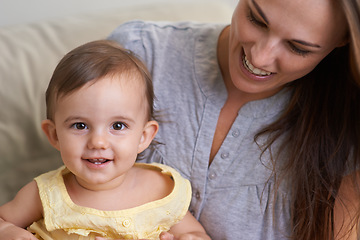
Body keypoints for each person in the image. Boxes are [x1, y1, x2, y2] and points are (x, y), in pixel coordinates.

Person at [107, 0, 360, 239]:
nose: (259, 57)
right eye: (256, 20)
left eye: (298, 47)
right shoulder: (140, 52)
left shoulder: (347, 131)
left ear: (343, 40)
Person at [0, 40, 210, 240]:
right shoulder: (45, 195)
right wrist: (7, 230)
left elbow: (198, 234)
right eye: (80, 126)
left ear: (144, 137)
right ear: (54, 135)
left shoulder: (162, 190)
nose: (98, 142)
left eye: (118, 126)